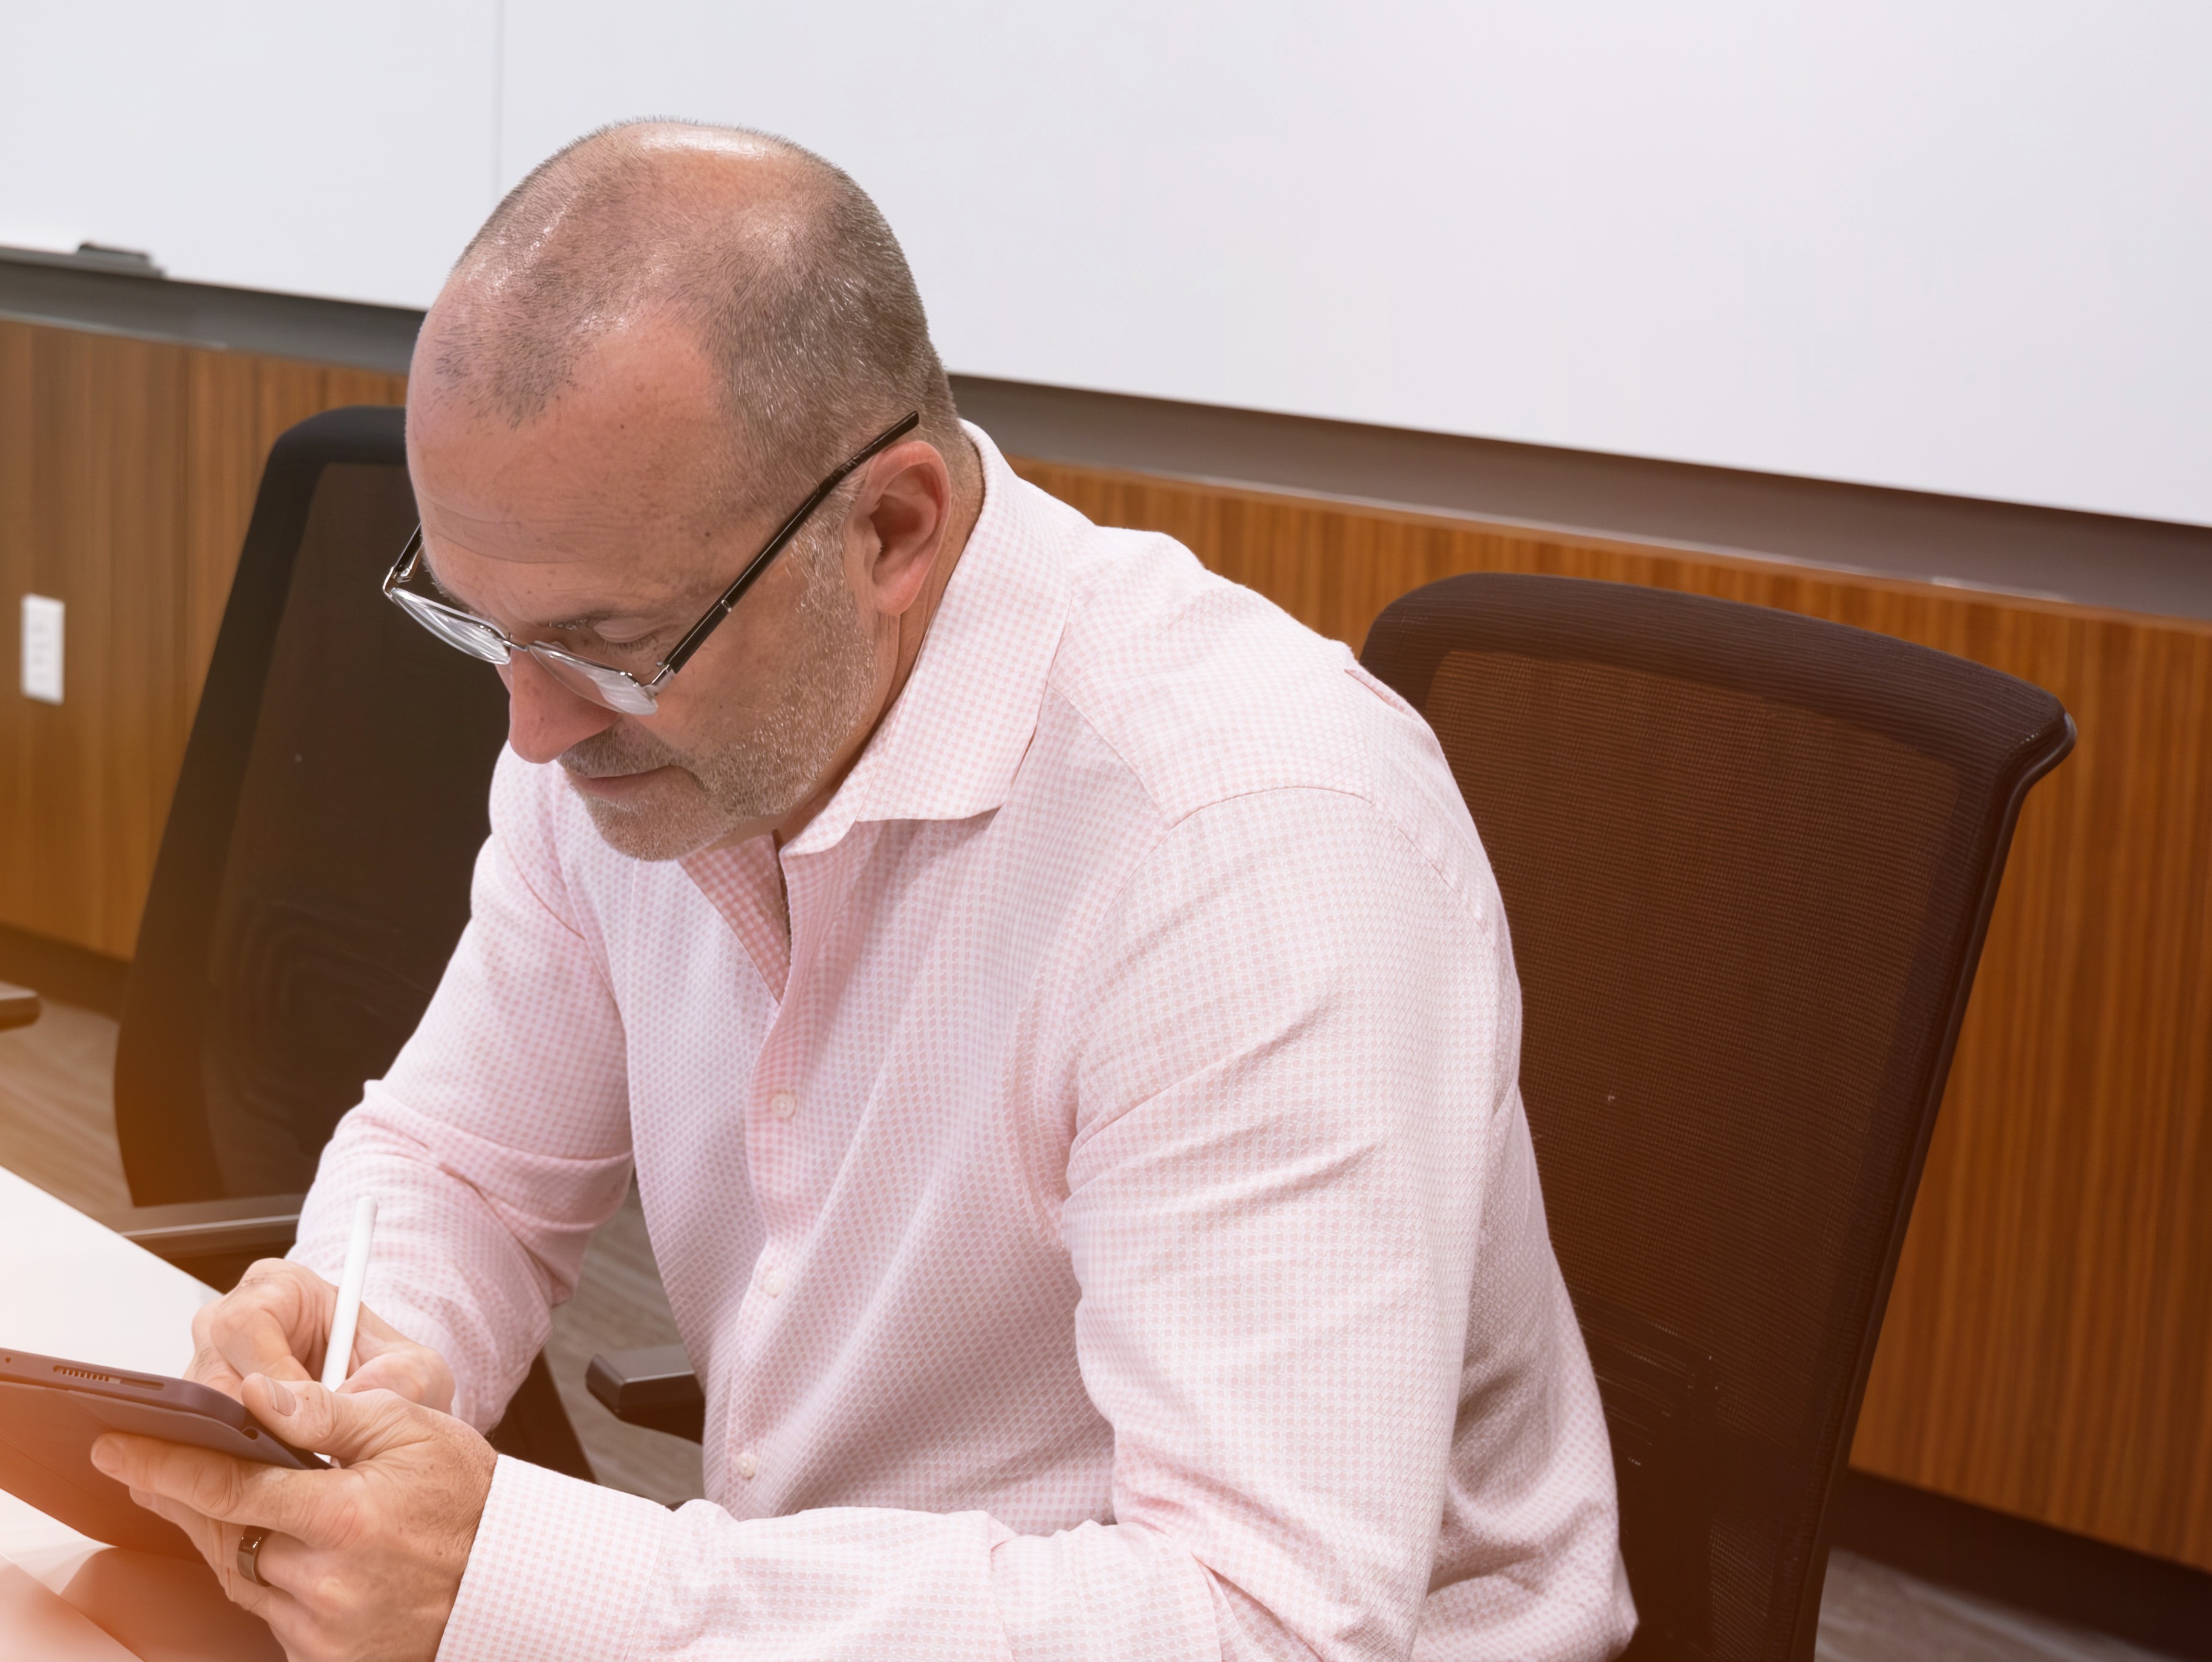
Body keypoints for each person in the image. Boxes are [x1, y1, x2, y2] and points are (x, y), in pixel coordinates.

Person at [86, 121, 1634, 1662]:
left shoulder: (1241, 842)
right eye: (485, 631)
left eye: (611, 645)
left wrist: (522, 1576)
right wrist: (346, 1358)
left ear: (892, 529)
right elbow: (461, 1163)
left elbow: (1264, 1623)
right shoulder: (628, 733)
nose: (536, 730)